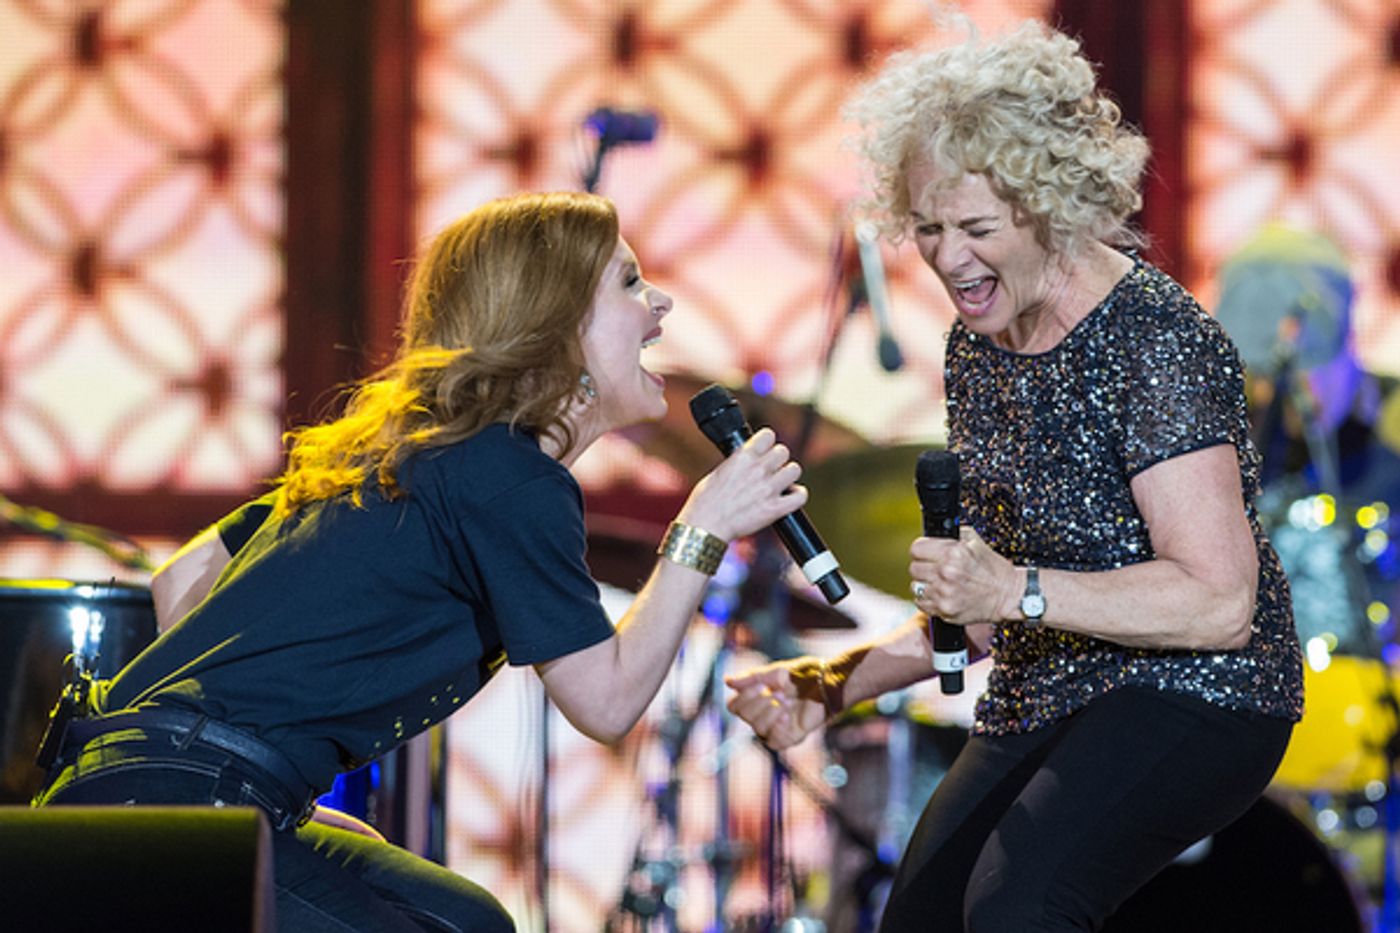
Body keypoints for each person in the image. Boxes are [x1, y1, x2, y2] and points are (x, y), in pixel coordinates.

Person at [34, 191, 809, 932]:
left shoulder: (410, 449)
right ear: (558, 322)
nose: (660, 303)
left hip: (130, 781)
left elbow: (184, 578)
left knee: (469, 920)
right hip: (184, 806)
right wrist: (702, 527)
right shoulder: (513, 475)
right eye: (631, 281)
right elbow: (605, 702)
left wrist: (271, 780)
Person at [725, 23, 1303, 933]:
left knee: (1019, 903)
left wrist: (1016, 588)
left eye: (978, 227)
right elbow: (989, 607)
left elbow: (1219, 601)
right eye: (928, 228)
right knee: (919, 915)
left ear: (1050, 205)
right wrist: (836, 683)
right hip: (1052, 682)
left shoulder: (1154, 339)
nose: (949, 257)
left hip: (1201, 691)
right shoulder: (980, 346)